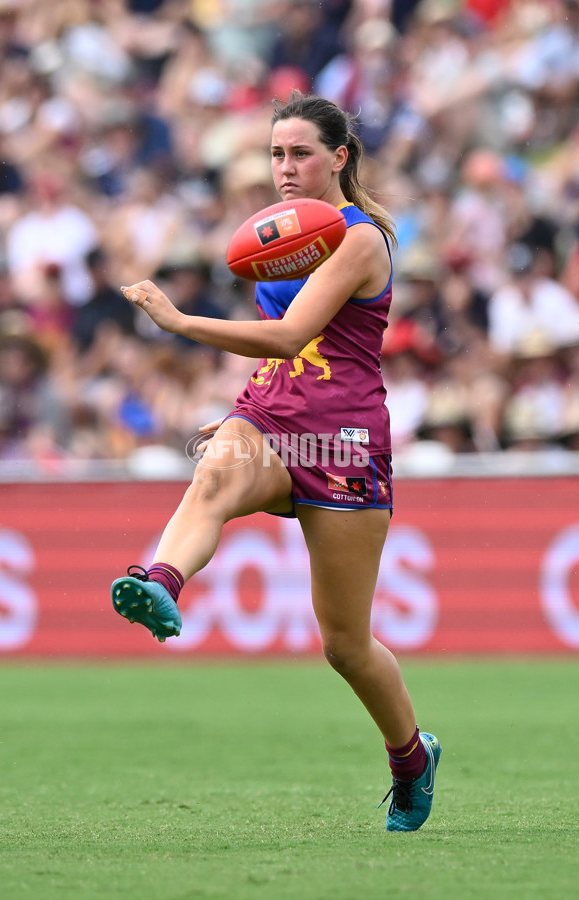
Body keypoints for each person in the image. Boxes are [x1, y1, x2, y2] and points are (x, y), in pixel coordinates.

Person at [111, 92, 441, 833]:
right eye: (275, 154)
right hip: (270, 416)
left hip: (344, 444)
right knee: (213, 477)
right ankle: (158, 582)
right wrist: (238, 414)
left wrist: (178, 321)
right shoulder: (286, 238)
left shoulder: (360, 239)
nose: (284, 168)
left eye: (299, 154)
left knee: (345, 645)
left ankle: (411, 758)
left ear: (339, 158)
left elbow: (292, 335)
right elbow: (287, 356)